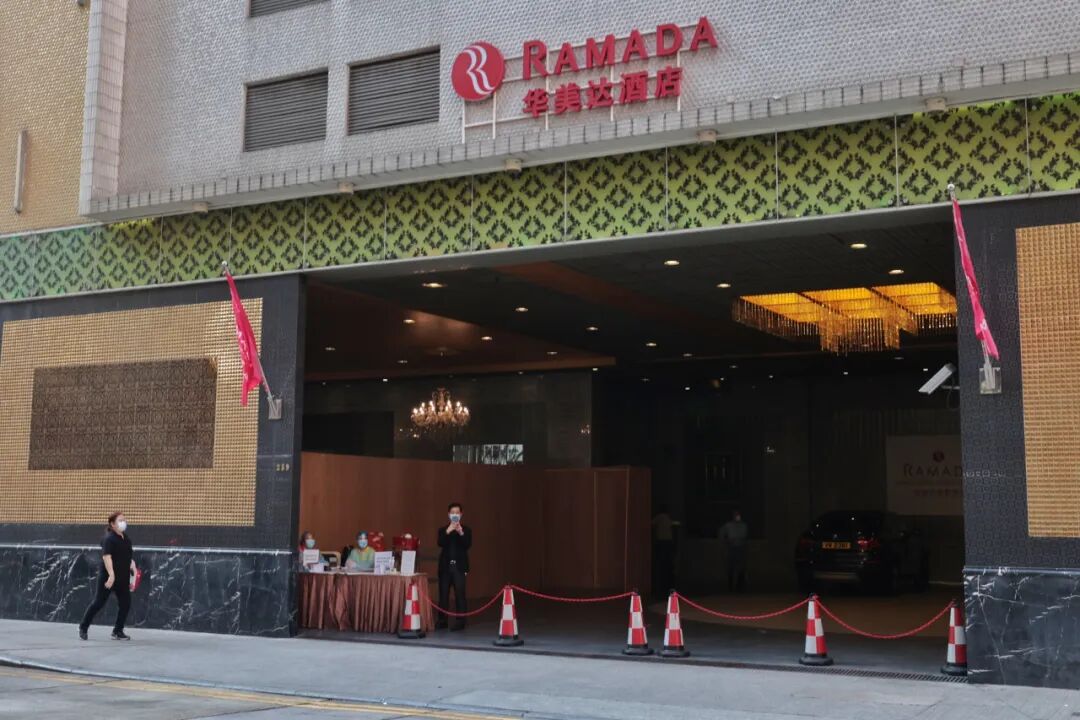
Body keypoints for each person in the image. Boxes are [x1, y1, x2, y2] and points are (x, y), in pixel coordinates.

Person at [79, 511, 136, 641]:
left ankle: (117, 631)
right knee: (98, 602)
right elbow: (106, 557)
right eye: (120, 520)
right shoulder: (109, 539)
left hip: (123, 577)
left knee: (125, 604)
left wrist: (133, 569)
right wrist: (111, 575)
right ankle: (83, 627)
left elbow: (128, 557)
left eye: (124, 520)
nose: (123, 523)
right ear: (112, 524)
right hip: (108, 578)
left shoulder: (126, 539)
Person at [436, 502, 471, 631]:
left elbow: (467, 545)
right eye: (452, 513)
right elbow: (440, 542)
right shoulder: (443, 530)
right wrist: (448, 530)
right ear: (448, 514)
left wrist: (460, 532)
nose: (455, 515)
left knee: (460, 594)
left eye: (457, 512)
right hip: (445, 567)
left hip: (459, 567)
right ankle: (442, 620)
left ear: (461, 514)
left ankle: (460, 621)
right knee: (443, 595)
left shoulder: (466, 530)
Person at [719, 509, 749, 592]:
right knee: (730, 567)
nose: (737, 517)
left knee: (741, 567)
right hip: (731, 548)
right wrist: (725, 542)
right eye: (736, 515)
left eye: (738, 515)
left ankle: (740, 587)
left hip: (741, 548)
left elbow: (745, 538)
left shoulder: (744, 525)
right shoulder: (728, 525)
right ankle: (730, 587)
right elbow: (721, 534)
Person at [651, 504, 677, 595]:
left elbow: (651, 524)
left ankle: (661, 580)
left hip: (661, 541)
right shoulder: (668, 518)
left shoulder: (659, 517)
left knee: (661, 561)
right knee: (668, 561)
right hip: (668, 541)